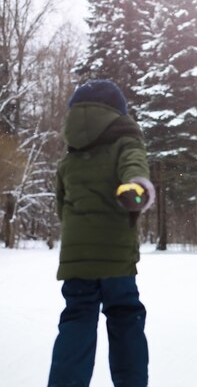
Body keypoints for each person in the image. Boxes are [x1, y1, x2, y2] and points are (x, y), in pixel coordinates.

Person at [48, 79, 155, 387]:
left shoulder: (69, 159)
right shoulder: (126, 143)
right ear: (116, 114)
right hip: (115, 257)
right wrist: (135, 188)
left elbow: (61, 209)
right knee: (125, 318)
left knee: (77, 318)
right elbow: (134, 168)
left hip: (76, 258)